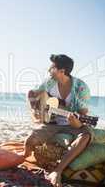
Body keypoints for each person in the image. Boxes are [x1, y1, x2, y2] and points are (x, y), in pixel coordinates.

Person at [23, 54, 93, 187]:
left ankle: (58, 170)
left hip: (72, 123)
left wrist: (77, 123)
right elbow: (32, 93)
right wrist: (35, 111)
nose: (49, 70)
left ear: (62, 71)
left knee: (86, 135)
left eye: (52, 67)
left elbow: (83, 116)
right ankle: (24, 158)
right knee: (29, 141)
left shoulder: (81, 88)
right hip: (51, 122)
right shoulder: (50, 82)